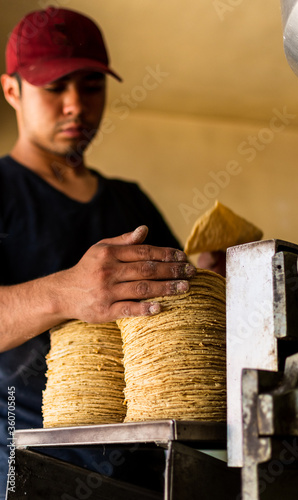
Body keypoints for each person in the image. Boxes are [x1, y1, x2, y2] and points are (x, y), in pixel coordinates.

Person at [0, 6, 198, 497]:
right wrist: (66, 292)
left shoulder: (129, 201)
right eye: (54, 87)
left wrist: (205, 278)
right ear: (11, 91)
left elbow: (172, 301)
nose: (75, 105)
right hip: (27, 467)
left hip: (144, 471)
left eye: (91, 85)